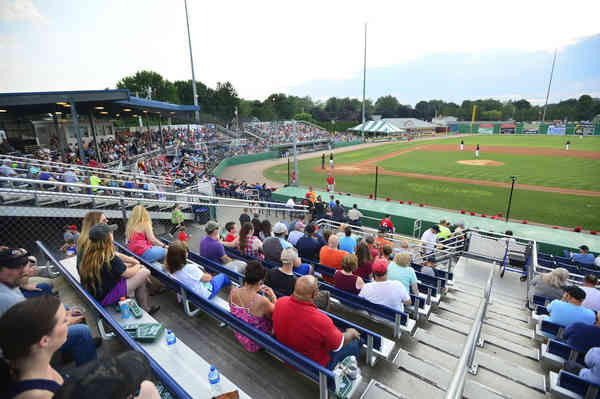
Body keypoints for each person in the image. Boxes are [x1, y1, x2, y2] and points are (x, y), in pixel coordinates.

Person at [0, 248, 98, 367]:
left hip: (23, 329)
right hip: (22, 350)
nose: (23, 270)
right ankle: (90, 373)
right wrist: (67, 322)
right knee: (82, 332)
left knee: (64, 307)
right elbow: (35, 333)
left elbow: (28, 315)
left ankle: (71, 351)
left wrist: (24, 285)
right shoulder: (7, 299)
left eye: (22, 265)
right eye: (15, 267)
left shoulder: (8, 282)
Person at [273, 275, 361, 369]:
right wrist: (351, 333)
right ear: (315, 294)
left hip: (288, 355)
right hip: (313, 366)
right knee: (355, 342)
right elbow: (337, 346)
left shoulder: (279, 302)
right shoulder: (321, 319)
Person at [80, 224, 159, 314]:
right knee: (145, 272)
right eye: (111, 232)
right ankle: (145, 307)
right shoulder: (108, 257)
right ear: (107, 238)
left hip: (97, 292)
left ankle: (145, 307)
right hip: (105, 297)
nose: (112, 233)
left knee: (135, 270)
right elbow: (128, 273)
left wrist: (133, 262)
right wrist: (138, 265)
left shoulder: (92, 252)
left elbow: (117, 261)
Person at [0, 296, 67, 399]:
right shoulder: (38, 395)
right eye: (64, 321)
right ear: (45, 341)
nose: (68, 322)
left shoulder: (32, 362)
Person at [229, 260, 276, 352]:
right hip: (256, 341)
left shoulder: (233, 291)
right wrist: (273, 297)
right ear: (260, 281)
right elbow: (276, 316)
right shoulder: (262, 301)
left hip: (241, 333)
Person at [164, 241, 230, 302]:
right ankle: (232, 290)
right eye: (186, 252)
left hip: (186, 293)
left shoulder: (168, 267)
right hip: (202, 295)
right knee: (224, 276)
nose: (187, 253)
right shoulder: (190, 268)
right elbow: (208, 279)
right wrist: (207, 274)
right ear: (182, 256)